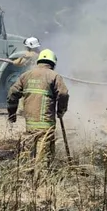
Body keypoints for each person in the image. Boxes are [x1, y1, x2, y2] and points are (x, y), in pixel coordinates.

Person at [7, 49, 70, 177]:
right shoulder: (54, 76)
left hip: (30, 125)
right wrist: (61, 111)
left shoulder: (26, 75)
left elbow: (12, 94)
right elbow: (63, 93)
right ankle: (42, 186)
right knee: (44, 158)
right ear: (52, 63)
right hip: (46, 126)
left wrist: (12, 113)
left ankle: (27, 182)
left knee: (29, 155)